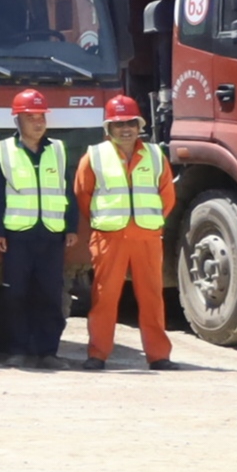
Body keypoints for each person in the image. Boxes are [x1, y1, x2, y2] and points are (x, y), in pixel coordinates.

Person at [78, 94, 175, 371]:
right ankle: (98, 354)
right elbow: (83, 195)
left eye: (130, 123)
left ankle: (159, 356)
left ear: (139, 125)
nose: (125, 129)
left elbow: (167, 196)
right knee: (104, 298)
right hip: (109, 237)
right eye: (119, 124)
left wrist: (149, 222)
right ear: (108, 129)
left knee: (152, 298)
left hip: (146, 236)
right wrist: (106, 221)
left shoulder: (156, 156)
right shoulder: (94, 156)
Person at [0, 88, 73, 370]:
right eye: (31, 117)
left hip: (51, 234)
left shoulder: (57, 149)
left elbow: (67, 190)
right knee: (16, 294)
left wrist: (71, 226)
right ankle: (18, 349)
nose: (38, 122)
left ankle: (48, 351)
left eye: (41, 116)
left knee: (50, 294)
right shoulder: (2, 151)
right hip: (17, 236)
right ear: (17, 121)